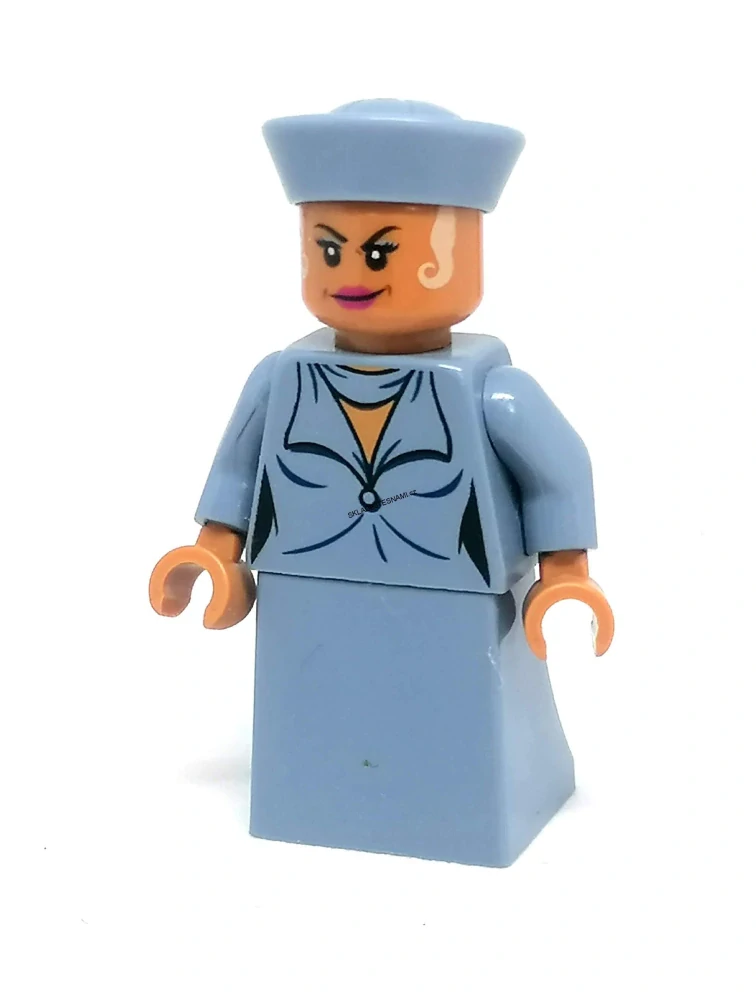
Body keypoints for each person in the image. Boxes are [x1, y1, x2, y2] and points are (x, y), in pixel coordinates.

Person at [149, 99, 614, 867]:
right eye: (328, 249)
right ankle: (320, 803)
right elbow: (238, 466)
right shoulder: (282, 377)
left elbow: (558, 469)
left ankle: (448, 816)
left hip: (459, 601)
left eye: (380, 252)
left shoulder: (494, 390)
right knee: (315, 709)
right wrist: (213, 552)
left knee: (457, 715)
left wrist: (565, 575)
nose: (350, 274)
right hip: (307, 593)